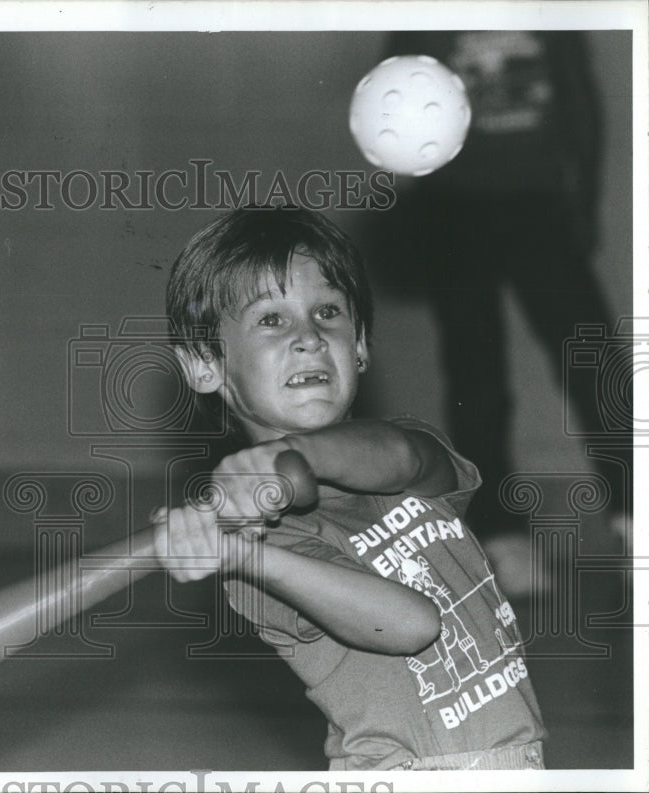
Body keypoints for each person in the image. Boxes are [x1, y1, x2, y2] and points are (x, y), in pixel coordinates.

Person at [153, 206, 546, 771]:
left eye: (327, 312)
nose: (309, 337)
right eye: (270, 319)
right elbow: (412, 624)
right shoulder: (268, 552)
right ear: (204, 364)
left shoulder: (404, 450)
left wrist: (295, 457)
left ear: (360, 342)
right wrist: (237, 553)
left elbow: (406, 456)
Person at [376, 32, 630, 583]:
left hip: (538, 205)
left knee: (593, 359)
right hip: (454, 211)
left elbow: (578, 99)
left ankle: (633, 513)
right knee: (476, 374)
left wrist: (582, 205)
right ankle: (500, 534)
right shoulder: (423, 22)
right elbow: (392, 101)